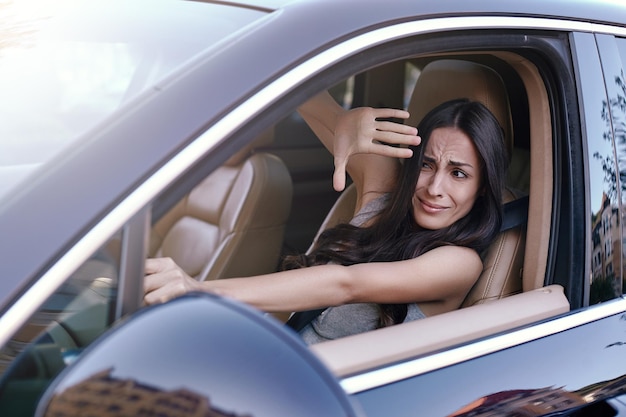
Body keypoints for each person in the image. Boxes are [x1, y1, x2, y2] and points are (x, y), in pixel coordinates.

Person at [144, 92, 508, 344]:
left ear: (482, 187)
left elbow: (345, 283)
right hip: (269, 359)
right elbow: (304, 92)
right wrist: (343, 119)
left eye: (458, 174)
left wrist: (200, 290)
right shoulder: (385, 193)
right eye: (427, 165)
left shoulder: (459, 263)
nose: (434, 188)